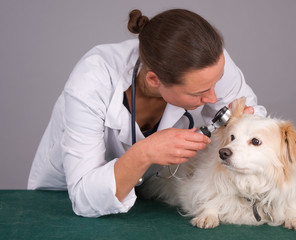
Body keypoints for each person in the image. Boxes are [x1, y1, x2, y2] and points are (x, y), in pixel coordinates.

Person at [28, 9, 266, 217]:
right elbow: (84, 198)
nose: (213, 99)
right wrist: (145, 152)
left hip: (152, 194)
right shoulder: (91, 81)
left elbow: (256, 125)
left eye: (217, 83)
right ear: (154, 80)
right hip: (64, 199)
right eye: (200, 93)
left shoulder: (209, 63)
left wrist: (247, 126)